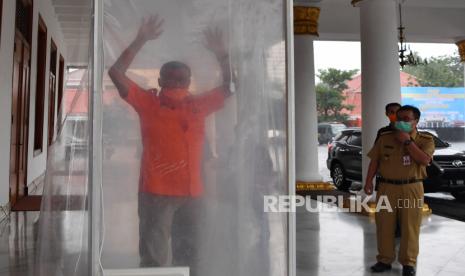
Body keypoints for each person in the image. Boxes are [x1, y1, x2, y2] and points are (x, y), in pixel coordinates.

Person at [108, 15, 233, 274]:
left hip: (182, 194)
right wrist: (221, 55)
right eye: (174, 78)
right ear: (163, 82)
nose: (176, 83)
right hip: (162, 193)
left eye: (179, 79)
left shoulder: (165, 103)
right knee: (169, 256)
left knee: (175, 256)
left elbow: (116, 73)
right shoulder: (166, 104)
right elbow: (230, 87)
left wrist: (141, 39)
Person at [364, 105, 434, 276]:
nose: (401, 122)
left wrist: (407, 141)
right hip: (386, 187)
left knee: (410, 226)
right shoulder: (385, 138)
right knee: (384, 225)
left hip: (412, 187)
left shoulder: (426, 139)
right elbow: (375, 161)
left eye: (406, 119)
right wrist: (368, 182)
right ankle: (384, 260)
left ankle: (408, 263)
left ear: (416, 121)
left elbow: (424, 160)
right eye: (398, 118)